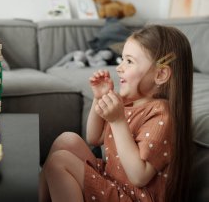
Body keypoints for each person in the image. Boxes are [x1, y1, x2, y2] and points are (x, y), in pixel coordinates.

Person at [39, 25, 193, 202]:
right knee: (66, 140)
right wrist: (100, 98)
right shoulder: (128, 102)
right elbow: (94, 138)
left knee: (59, 162)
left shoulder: (162, 115)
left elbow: (139, 176)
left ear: (160, 74)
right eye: (122, 60)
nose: (119, 68)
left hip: (133, 197)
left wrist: (118, 121)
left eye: (129, 61)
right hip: (115, 183)